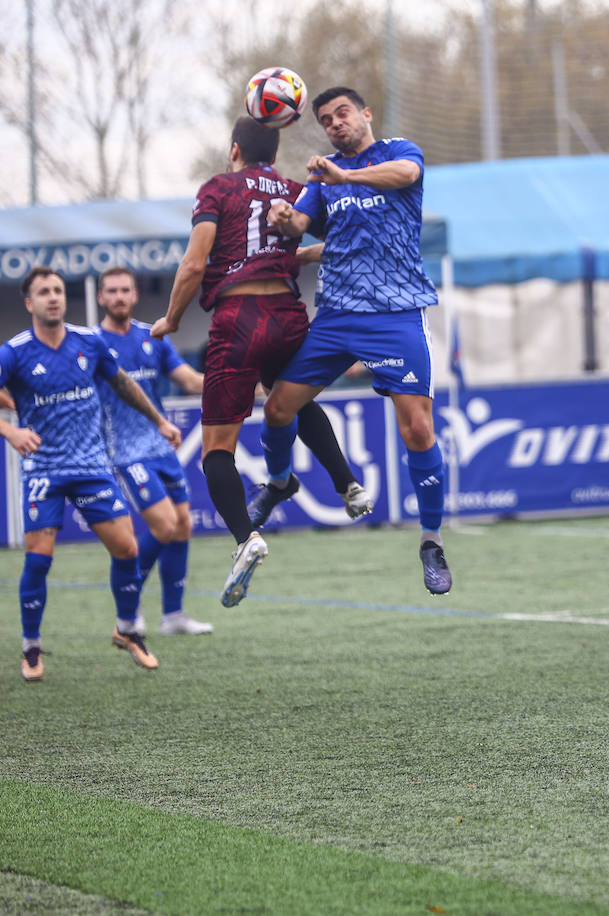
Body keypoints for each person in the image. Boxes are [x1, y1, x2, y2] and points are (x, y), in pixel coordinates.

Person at [152, 117, 373, 609]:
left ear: (234, 149)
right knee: (287, 399)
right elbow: (340, 237)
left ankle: (245, 539)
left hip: (240, 317)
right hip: (290, 314)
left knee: (217, 448)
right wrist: (304, 256)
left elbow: (193, 264)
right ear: (273, 153)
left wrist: (171, 319)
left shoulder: (217, 188)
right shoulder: (294, 190)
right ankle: (348, 484)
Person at [263, 86, 451, 595]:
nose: (335, 123)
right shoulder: (323, 177)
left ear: (365, 114)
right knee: (278, 408)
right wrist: (288, 224)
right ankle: (279, 482)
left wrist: (344, 175)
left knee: (417, 429)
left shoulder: (397, 153)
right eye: (325, 119)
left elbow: (406, 177)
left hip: (395, 314)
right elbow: (300, 222)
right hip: (337, 317)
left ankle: (431, 541)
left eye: (342, 113)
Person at [1, 267, 183, 680]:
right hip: (44, 470)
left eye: (58, 291)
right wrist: (11, 430)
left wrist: (158, 421)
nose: (53, 298)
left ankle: (127, 630)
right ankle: (31, 647)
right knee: (39, 560)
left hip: (91, 468)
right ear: (29, 303)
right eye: (44, 292)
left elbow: (123, 385)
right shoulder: (14, 352)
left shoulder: (89, 342)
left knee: (128, 550)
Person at [95, 267, 213, 636]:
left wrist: (243, 386)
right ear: (101, 298)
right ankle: (131, 604)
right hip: (125, 451)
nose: (118, 296)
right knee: (164, 524)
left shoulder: (153, 336)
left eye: (125, 290)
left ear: (135, 295)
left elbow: (191, 381)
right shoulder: (92, 343)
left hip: (162, 446)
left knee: (183, 527)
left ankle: (173, 616)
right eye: (111, 291)